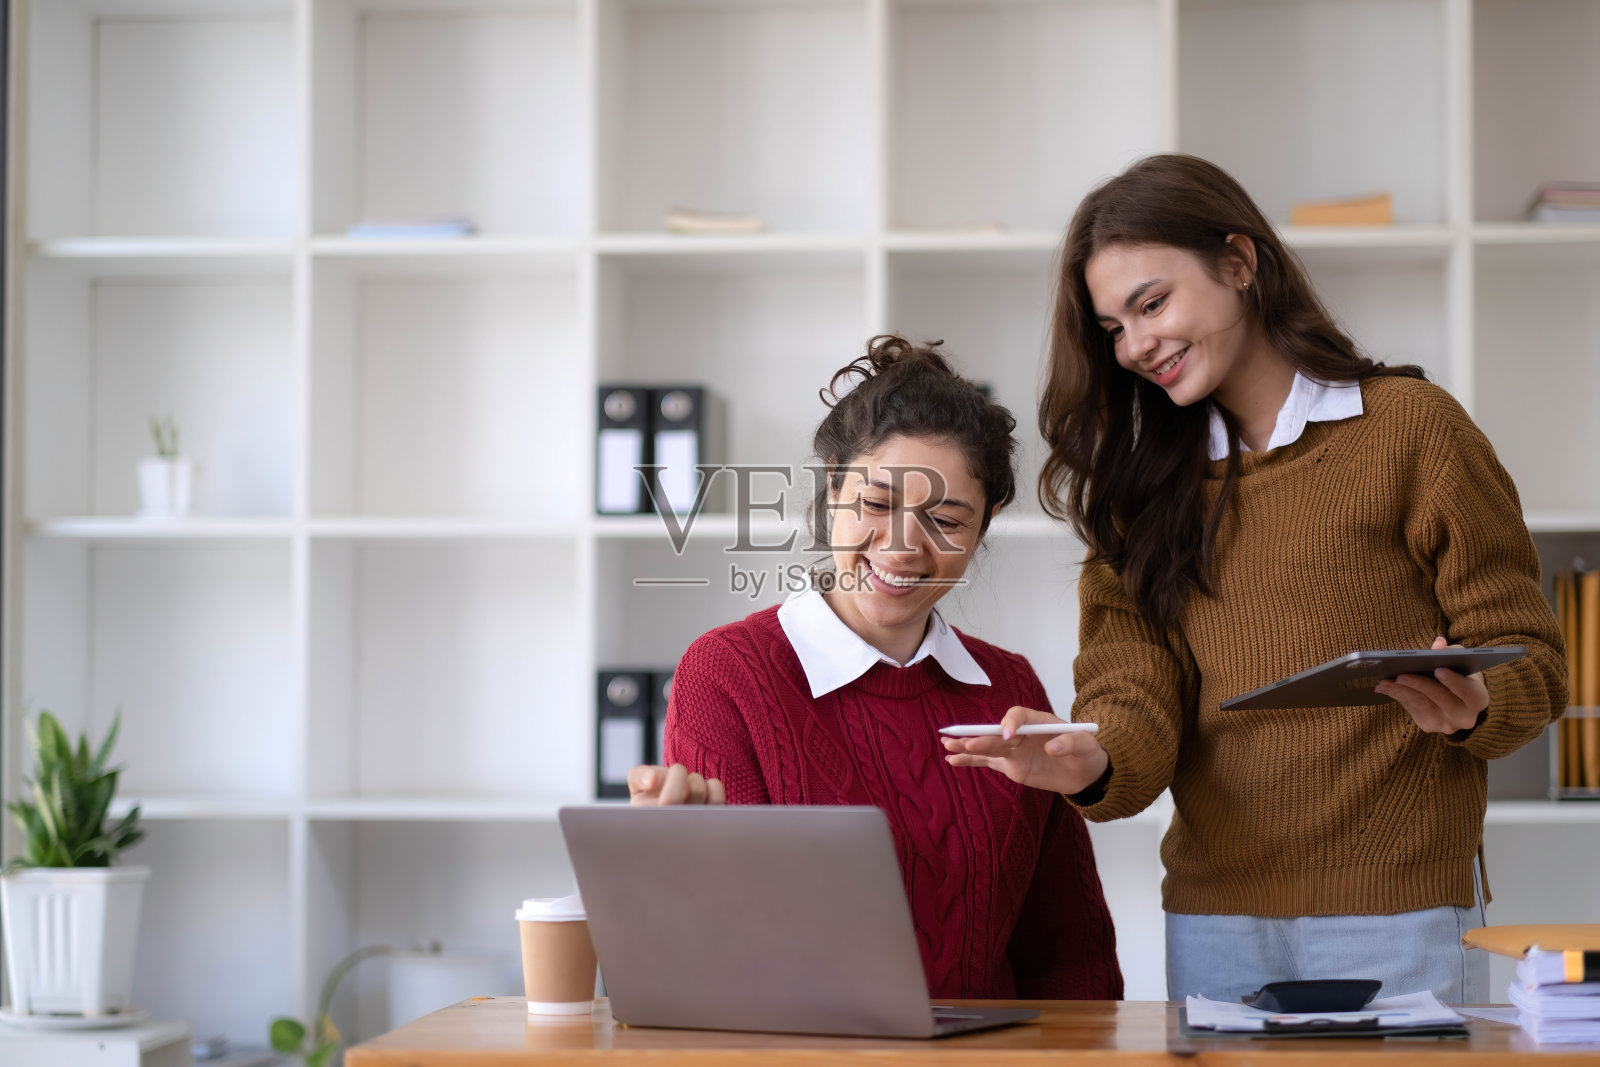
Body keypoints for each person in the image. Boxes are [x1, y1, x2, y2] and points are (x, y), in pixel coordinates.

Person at [945, 154, 1567, 1004]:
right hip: (1217, 923)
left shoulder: (1411, 431)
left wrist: (1481, 703)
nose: (1136, 345)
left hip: (1402, 907)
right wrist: (1094, 758)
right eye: (1114, 328)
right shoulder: (1139, 492)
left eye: (1152, 303)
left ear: (1240, 263)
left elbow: (1531, 653)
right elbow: (1136, 691)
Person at [627, 335, 1124, 1001]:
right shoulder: (729, 674)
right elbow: (720, 959)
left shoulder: (1010, 687)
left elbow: (1067, 947)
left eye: (946, 519)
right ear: (832, 486)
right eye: (874, 504)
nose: (902, 546)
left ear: (985, 524)